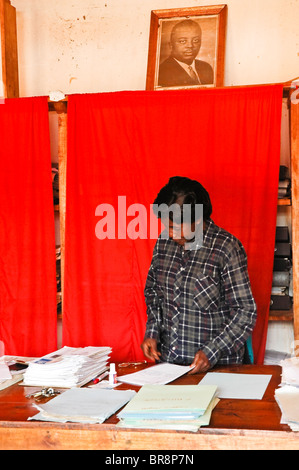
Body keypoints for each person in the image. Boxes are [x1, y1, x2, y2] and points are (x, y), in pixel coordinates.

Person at [141, 176, 257, 373]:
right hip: (169, 367)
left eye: (175, 227)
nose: (170, 234)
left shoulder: (226, 248)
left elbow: (245, 311)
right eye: (166, 227)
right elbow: (154, 294)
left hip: (218, 369)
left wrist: (212, 352)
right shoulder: (163, 244)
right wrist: (152, 332)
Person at [158, 19, 214, 88]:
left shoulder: (206, 68)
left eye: (196, 40)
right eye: (182, 41)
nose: (190, 45)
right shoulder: (162, 72)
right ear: (171, 45)